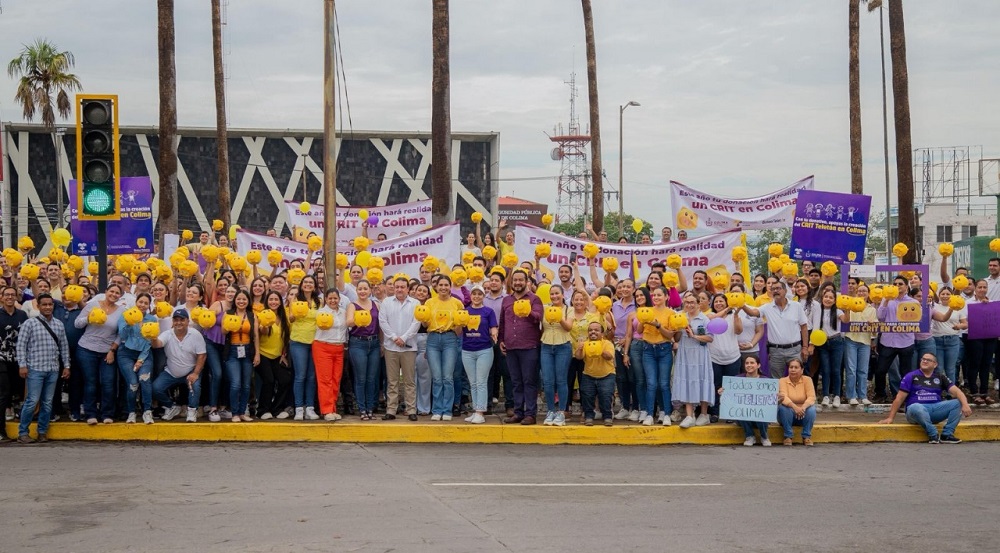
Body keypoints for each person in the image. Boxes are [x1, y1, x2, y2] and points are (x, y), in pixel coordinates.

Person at [878, 352, 971, 444]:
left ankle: (947, 435)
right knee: (916, 407)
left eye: (928, 360)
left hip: (935, 409)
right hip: (915, 411)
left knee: (959, 402)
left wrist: (965, 404)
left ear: (935, 364)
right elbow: (899, 398)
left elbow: (957, 392)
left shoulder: (940, 377)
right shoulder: (911, 376)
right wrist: (890, 418)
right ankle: (933, 434)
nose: (925, 361)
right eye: (923, 359)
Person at [14, 294, 70, 444]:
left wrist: (67, 366)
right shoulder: (30, 323)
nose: (47, 307)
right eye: (44, 304)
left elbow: (64, 347)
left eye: (50, 304)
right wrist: (22, 365)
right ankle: (23, 433)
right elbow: (21, 346)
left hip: (53, 369)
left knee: (47, 402)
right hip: (35, 368)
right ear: (38, 306)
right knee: (32, 401)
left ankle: (42, 432)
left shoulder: (59, 324)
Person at [75, 284, 125, 425]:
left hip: (107, 352)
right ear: (106, 291)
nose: (114, 294)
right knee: (90, 382)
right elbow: (77, 323)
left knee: (108, 383)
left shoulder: (122, 311)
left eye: (117, 293)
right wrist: (88, 318)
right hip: (86, 349)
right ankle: (90, 413)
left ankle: (107, 413)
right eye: (111, 291)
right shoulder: (93, 305)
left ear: (120, 296)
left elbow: (121, 334)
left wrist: (112, 350)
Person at [498, 269, 543, 425]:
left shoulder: (534, 299)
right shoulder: (506, 300)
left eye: (520, 280)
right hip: (511, 346)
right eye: (515, 280)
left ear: (526, 282)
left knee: (529, 381)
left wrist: (527, 311)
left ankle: (530, 414)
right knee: (516, 381)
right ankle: (518, 412)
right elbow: (502, 322)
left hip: (529, 346)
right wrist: (501, 340)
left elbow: (538, 318)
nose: (517, 283)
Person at [741, 280, 808, 379]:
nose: (775, 291)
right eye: (773, 289)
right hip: (776, 351)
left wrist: (805, 347)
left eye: (778, 288)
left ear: (785, 291)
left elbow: (804, 326)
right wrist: (741, 305)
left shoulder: (796, 306)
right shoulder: (767, 307)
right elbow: (753, 313)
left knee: (797, 378)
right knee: (776, 380)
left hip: (794, 350)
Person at [151, 309, 206, 423]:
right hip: (171, 372)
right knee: (155, 388)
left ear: (188, 321)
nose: (179, 322)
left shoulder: (195, 334)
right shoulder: (167, 333)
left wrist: (195, 373)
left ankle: (192, 410)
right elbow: (157, 345)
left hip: (190, 370)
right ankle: (171, 407)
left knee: (195, 387)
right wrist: (153, 337)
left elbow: (202, 355)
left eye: (182, 320)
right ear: (172, 322)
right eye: (176, 320)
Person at [378, 277, 420, 421]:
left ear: (408, 289)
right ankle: (391, 410)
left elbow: (416, 323)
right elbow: (383, 321)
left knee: (409, 381)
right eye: (397, 287)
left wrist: (404, 338)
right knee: (392, 380)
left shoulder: (415, 303)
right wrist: (394, 337)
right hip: (391, 347)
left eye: (403, 287)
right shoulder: (386, 302)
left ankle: (411, 409)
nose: (400, 289)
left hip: (409, 347)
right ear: (393, 288)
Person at [424, 276, 464, 421]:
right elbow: (425, 324)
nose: (443, 288)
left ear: (450, 286)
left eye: (446, 285)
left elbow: (460, 328)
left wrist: (459, 325)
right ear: (436, 286)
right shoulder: (429, 302)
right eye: (440, 285)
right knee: (437, 377)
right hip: (433, 339)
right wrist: (423, 320)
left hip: (450, 338)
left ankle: (447, 410)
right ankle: (437, 409)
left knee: (447, 377)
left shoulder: (457, 303)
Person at [116, 292, 158, 424]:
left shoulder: (152, 319)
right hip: (126, 353)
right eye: (140, 302)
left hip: (144, 353)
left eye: (146, 303)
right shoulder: (126, 315)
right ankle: (131, 412)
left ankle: (147, 411)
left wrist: (140, 360)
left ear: (149, 305)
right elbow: (122, 335)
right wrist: (129, 323)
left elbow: (149, 342)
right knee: (133, 383)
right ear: (136, 302)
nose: (142, 305)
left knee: (144, 379)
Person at [873, 277, 918, 401]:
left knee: (905, 372)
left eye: (900, 284)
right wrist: (886, 300)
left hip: (906, 341)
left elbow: (917, 320)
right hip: (888, 341)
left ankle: (904, 397)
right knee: (881, 370)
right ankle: (880, 394)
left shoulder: (913, 302)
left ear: (906, 287)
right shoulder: (886, 300)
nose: (897, 286)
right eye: (895, 284)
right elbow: (880, 317)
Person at [675, 292, 715, 428]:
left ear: (698, 304)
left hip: (700, 354)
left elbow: (710, 338)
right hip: (685, 353)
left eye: (692, 302)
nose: (689, 305)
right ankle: (689, 415)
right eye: (687, 302)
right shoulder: (681, 317)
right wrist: (678, 329)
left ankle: (704, 414)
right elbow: (676, 339)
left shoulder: (704, 319)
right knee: (687, 380)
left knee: (702, 380)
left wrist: (694, 336)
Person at [640, 286, 677, 426]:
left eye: (659, 295)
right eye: (654, 295)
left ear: (666, 297)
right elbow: (639, 330)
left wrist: (658, 325)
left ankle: (667, 413)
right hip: (648, 349)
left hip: (664, 349)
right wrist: (643, 320)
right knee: (651, 383)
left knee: (664, 384)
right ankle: (649, 414)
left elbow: (670, 335)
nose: (655, 297)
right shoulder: (647, 311)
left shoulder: (671, 313)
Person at [461, 284, 498, 424]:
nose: (476, 296)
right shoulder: (464, 312)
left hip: (484, 350)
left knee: (481, 381)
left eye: (479, 294)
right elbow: (458, 331)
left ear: (483, 296)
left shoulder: (488, 311)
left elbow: (493, 327)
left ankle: (480, 412)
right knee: (473, 382)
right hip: (467, 350)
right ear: (471, 296)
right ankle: (476, 409)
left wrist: (494, 333)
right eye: (474, 294)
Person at [718, 354, 772, 447]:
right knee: (742, 409)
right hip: (742, 418)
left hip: (761, 418)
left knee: (761, 410)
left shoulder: (766, 381)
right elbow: (729, 400)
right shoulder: (736, 380)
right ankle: (749, 436)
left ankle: (764, 436)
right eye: (747, 363)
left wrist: (778, 398)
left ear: (758, 365)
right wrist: (723, 393)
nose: (749, 365)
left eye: (752, 363)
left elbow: (771, 403)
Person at [346, 280, 380, 420]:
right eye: (360, 289)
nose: (362, 291)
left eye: (365, 289)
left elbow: (380, 325)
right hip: (358, 343)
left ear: (370, 290)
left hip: (374, 343)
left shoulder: (376, 304)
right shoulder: (352, 305)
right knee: (361, 378)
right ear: (356, 291)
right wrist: (360, 319)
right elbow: (348, 322)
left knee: (372, 378)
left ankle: (370, 407)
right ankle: (362, 409)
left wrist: (382, 345)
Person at [289, 275, 322, 421]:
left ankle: (310, 408)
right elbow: (290, 319)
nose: (308, 284)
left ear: (314, 286)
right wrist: (297, 313)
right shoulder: (295, 299)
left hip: (315, 342)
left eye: (311, 282)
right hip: (298, 341)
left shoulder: (319, 301)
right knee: (300, 376)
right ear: (301, 284)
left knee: (311, 376)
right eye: (306, 282)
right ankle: (298, 408)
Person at [313, 288, 349, 421]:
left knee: (335, 379)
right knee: (325, 380)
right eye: (330, 298)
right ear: (326, 299)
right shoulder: (320, 313)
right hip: (323, 347)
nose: (333, 301)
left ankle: (333, 408)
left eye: (335, 298)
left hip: (339, 348)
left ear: (339, 299)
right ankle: (326, 410)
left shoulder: (344, 312)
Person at [539, 284, 572, 426]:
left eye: (557, 293)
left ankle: (562, 412)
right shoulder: (544, 309)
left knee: (561, 380)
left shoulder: (568, 309)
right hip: (546, 346)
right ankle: (551, 410)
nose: (554, 296)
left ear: (562, 294)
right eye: (552, 294)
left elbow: (568, 327)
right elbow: (541, 327)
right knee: (547, 380)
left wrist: (558, 317)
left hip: (563, 346)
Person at [224, 290, 259, 422]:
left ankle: (242, 412)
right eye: (239, 299)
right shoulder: (228, 314)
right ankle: (234, 413)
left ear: (248, 301)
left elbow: (255, 336)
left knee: (246, 385)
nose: (241, 301)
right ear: (235, 300)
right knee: (235, 384)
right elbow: (223, 332)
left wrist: (257, 354)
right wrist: (229, 326)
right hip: (232, 351)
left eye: (244, 299)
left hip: (247, 351)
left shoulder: (252, 315)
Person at [255, 291, 291, 420]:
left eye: (276, 299)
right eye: (271, 299)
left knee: (285, 380)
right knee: (269, 380)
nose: (273, 302)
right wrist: (265, 325)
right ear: (267, 301)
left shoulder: (284, 317)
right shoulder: (261, 315)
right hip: (263, 354)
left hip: (277, 356)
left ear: (280, 302)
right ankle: (262, 410)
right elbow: (262, 331)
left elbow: (286, 338)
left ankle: (276, 408)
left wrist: (283, 354)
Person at [707, 294, 743, 422]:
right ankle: (715, 413)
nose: (718, 303)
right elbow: (711, 319)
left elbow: (739, 331)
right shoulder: (709, 316)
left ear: (726, 302)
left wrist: (736, 314)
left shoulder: (734, 316)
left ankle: (730, 413)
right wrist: (729, 308)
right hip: (714, 357)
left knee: (731, 386)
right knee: (715, 385)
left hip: (733, 357)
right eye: (716, 301)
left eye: (721, 301)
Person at [574, 321, 616, 426]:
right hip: (589, 375)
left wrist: (598, 349)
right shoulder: (585, 343)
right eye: (590, 330)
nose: (593, 332)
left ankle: (607, 417)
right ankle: (589, 417)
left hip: (607, 375)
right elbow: (579, 357)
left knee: (606, 396)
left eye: (596, 330)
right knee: (587, 396)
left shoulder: (607, 343)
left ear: (602, 333)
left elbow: (609, 357)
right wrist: (579, 349)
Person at [0, 287, 28, 440]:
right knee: (3, 393)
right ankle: (1, 430)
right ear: (2, 297)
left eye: (12, 295)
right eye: (7, 295)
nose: (10, 297)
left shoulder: (22, 315)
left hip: (19, 359)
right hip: (1, 359)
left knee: (18, 392)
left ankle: (20, 425)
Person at [844, 284, 878, 406]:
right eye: (859, 291)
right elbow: (846, 322)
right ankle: (851, 396)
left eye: (864, 291)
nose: (862, 293)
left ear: (868, 294)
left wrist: (872, 325)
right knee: (851, 369)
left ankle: (863, 396)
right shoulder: (850, 305)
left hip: (865, 341)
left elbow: (875, 331)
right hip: (851, 339)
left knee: (863, 370)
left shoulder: (872, 309)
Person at [777, 358, 816, 446]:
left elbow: (811, 397)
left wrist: (803, 408)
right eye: (791, 367)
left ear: (802, 370)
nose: (793, 370)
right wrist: (795, 407)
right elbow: (784, 397)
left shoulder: (808, 380)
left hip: (803, 413)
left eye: (796, 367)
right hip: (787, 414)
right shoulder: (782, 380)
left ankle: (806, 436)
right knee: (783, 408)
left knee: (812, 409)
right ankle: (788, 436)